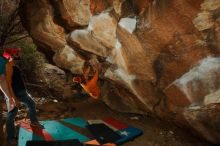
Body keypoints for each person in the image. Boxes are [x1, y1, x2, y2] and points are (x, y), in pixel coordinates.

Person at [3, 48, 43, 146]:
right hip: (15, 95)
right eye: (16, 53)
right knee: (11, 116)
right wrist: (14, 99)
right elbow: (8, 84)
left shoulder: (14, 65)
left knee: (32, 104)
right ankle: (11, 138)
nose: (18, 54)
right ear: (12, 55)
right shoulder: (8, 66)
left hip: (23, 93)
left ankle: (34, 122)